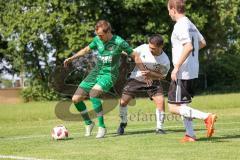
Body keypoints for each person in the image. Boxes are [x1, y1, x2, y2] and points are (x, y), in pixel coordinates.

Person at [64, 20, 144, 138]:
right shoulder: (97, 40)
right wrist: (72, 58)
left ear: (108, 32)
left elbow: (135, 55)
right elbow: (86, 50)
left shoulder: (119, 41)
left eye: (101, 35)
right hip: (96, 72)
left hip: (109, 75)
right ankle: (89, 123)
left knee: (93, 93)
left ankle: (102, 127)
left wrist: (143, 70)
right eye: (97, 35)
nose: (99, 37)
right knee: (76, 99)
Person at [167, 0, 217, 142]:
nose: (169, 13)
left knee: (173, 107)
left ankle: (207, 117)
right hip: (192, 70)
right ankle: (190, 135)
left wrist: (176, 66)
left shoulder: (180, 25)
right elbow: (202, 43)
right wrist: (191, 59)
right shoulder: (190, 24)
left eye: (169, 10)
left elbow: (188, 46)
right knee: (183, 104)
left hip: (182, 71)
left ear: (173, 9)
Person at [117, 34, 170, 135]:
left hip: (153, 80)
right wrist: (120, 51)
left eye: (153, 48)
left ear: (161, 47)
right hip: (136, 78)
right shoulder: (143, 48)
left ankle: (160, 128)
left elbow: (162, 76)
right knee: (123, 102)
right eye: (149, 46)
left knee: (160, 101)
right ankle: (123, 123)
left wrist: (151, 74)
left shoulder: (165, 61)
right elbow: (131, 53)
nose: (150, 49)